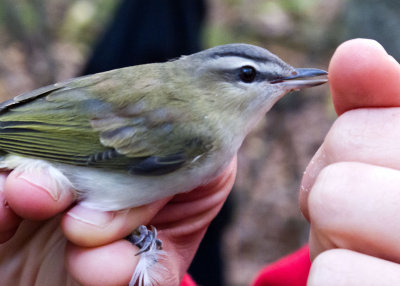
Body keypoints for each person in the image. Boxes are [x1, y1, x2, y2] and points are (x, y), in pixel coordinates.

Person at [0, 38, 399, 285]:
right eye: (248, 75)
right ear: (210, 84)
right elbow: (84, 141)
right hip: (40, 150)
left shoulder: (207, 127)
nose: (275, 86)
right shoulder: (198, 132)